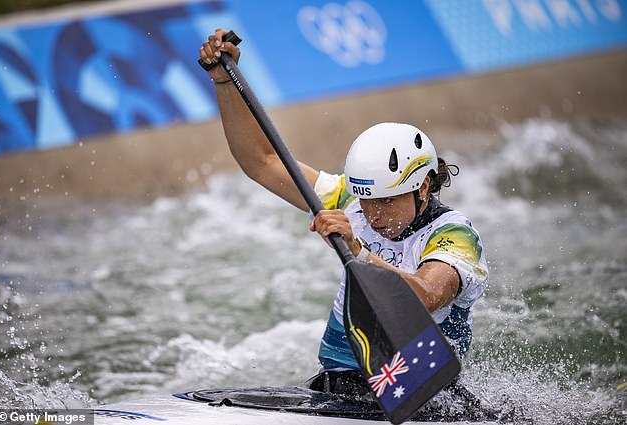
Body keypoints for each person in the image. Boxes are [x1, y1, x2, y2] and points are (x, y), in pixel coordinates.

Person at [199, 29, 489, 396]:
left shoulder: (455, 236)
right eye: (366, 201)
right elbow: (261, 162)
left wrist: (362, 253)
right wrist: (226, 83)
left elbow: (430, 293)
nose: (373, 215)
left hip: (421, 396)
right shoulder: (349, 200)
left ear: (424, 187)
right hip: (337, 383)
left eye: (386, 201)